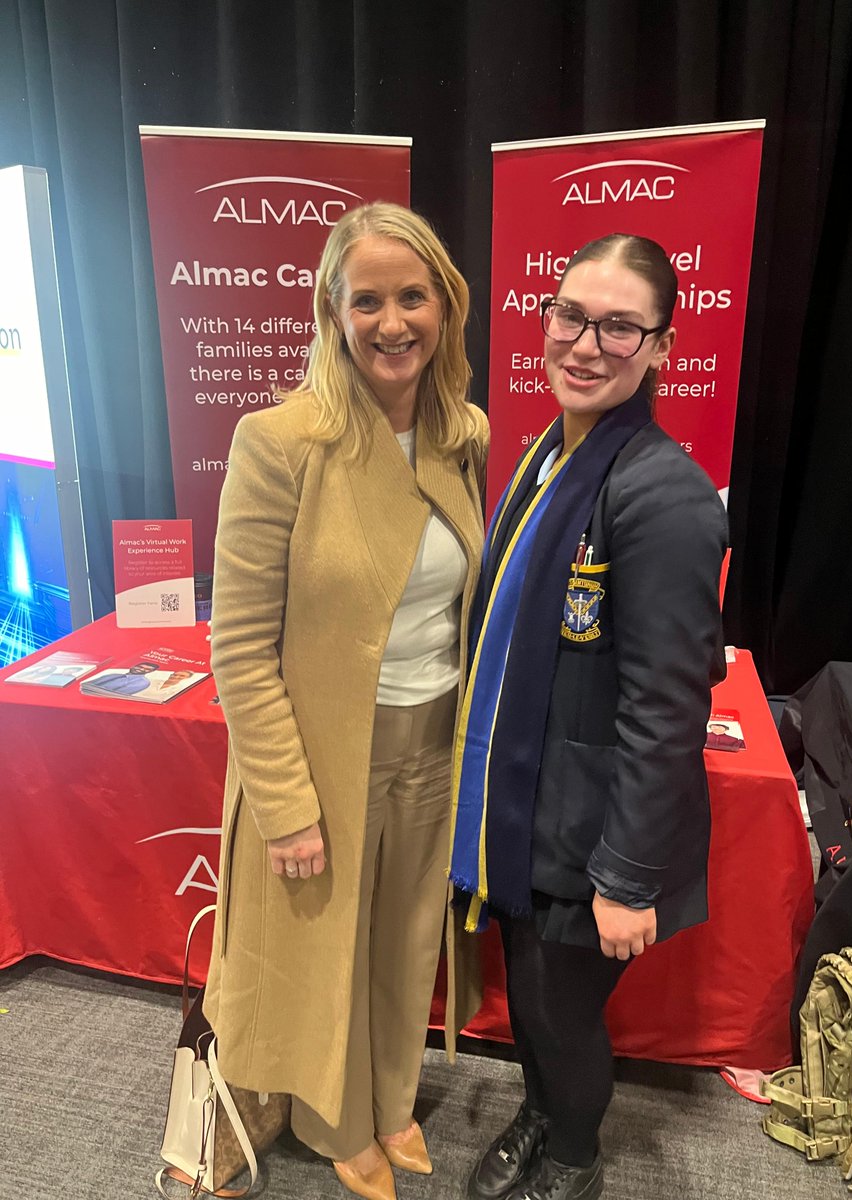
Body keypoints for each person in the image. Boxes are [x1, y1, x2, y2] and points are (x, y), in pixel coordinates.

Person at [203, 202, 489, 1200]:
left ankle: (391, 1098)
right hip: (326, 756)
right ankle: (337, 1128)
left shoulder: (464, 436)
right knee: (330, 950)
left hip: (435, 741)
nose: (392, 320)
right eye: (367, 299)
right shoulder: (280, 442)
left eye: (413, 297)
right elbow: (236, 643)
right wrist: (284, 803)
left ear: (445, 308)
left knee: (406, 936)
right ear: (332, 310)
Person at [451, 234, 727, 1200]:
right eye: (570, 315)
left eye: (620, 326)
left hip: (594, 827)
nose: (585, 343)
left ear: (662, 346)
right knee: (532, 999)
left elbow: (667, 711)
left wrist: (626, 876)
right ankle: (543, 1114)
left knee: (563, 1014)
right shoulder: (545, 452)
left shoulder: (666, 496)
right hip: (533, 808)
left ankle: (574, 1158)